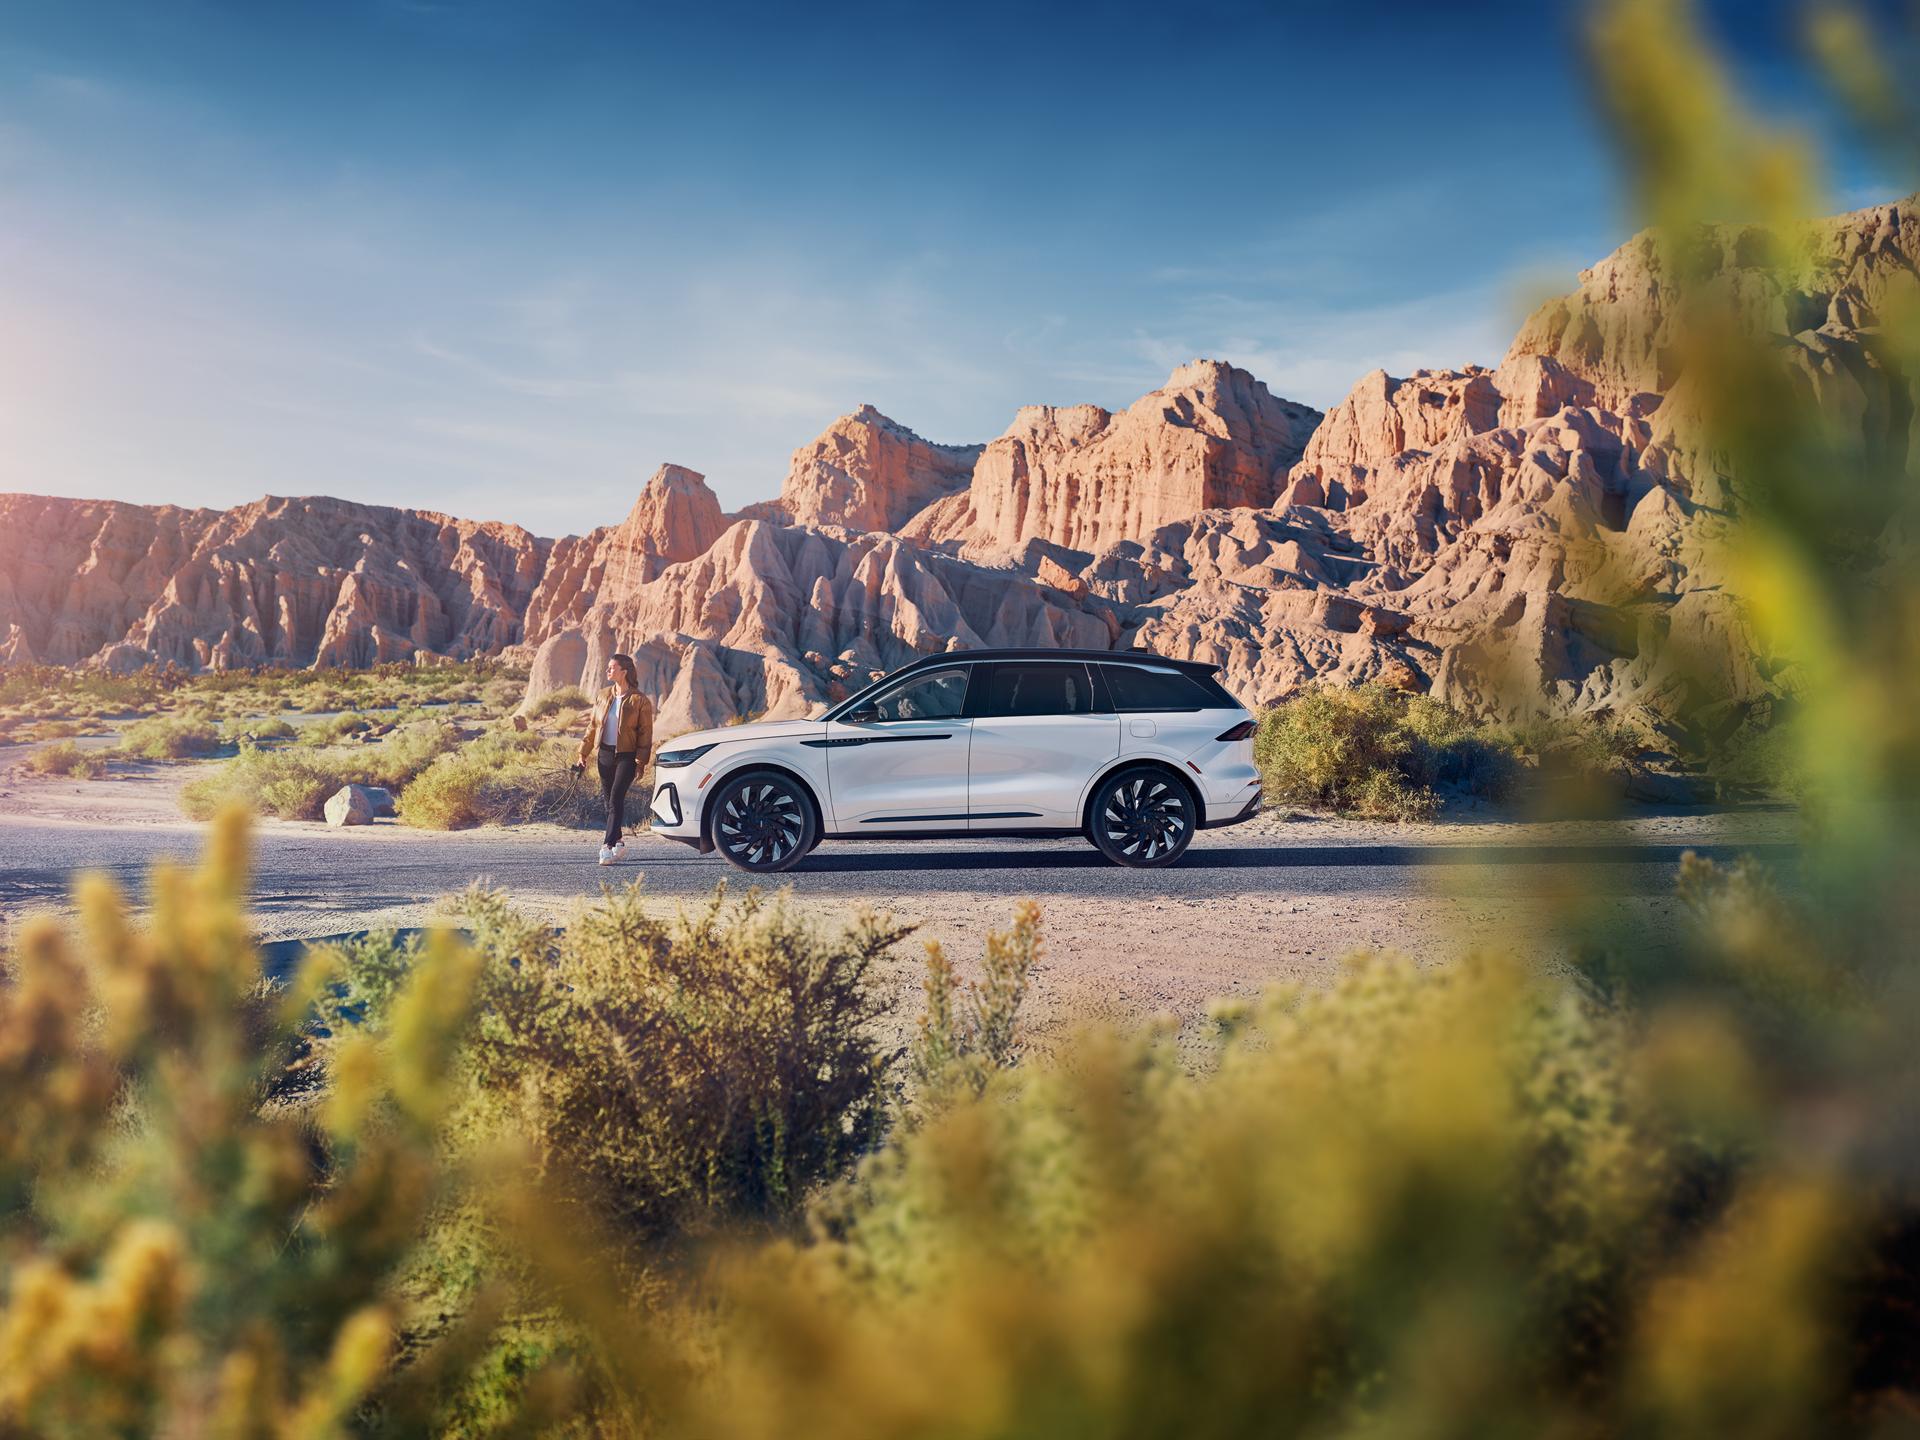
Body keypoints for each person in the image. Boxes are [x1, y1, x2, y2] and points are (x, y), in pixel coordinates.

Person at [575, 652, 654, 865]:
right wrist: (583, 752)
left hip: (627, 757)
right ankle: (618, 840)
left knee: (616, 799)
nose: (607, 670)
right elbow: (593, 726)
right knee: (609, 800)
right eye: (608, 667)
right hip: (605, 755)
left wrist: (641, 761)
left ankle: (606, 846)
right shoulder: (602, 695)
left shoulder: (640, 700)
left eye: (612, 667)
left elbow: (645, 734)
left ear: (624, 671)